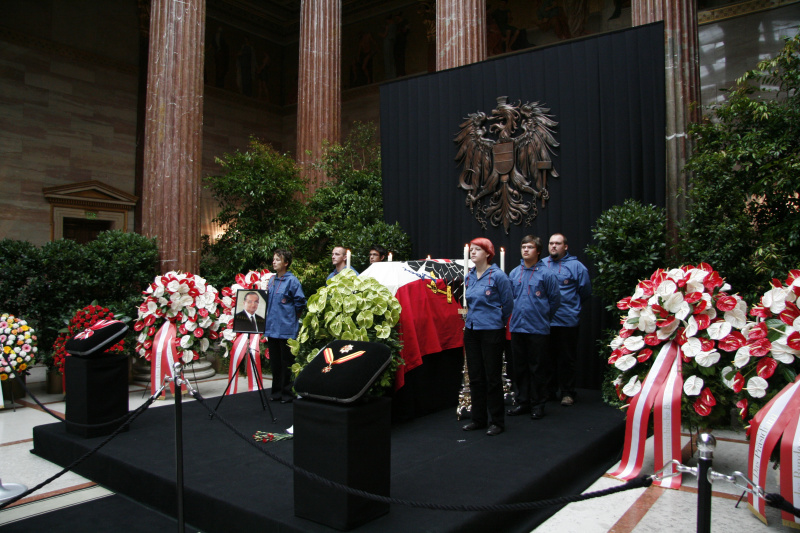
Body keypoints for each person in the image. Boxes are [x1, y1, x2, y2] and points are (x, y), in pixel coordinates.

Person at [462, 237, 514, 436]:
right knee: (475, 376)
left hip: (492, 329)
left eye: (477, 249)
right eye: (472, 249)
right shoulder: (470, 276)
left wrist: (497, 320)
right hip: (472, 330)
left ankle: (497, 422)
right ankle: (478, 419)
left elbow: (508, 303)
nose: (472, 252)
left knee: (493, 377)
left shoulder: (498, 276)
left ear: (487, 253)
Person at [507, 236, 561, 420]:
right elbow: (510, 299)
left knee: (537, 368)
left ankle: (538, 404)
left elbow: (555, 301)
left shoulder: (547, 274)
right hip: (517, 328)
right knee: (519, 367)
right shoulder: (514, 273)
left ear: (538, 251)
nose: (526, 250)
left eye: (530, 247)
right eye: (523, 247)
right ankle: (523, 401)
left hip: (538, 328)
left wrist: (543, 316)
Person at [543, 233, 591, 406]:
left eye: (557, 243)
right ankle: (549, 391)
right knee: (547, 359)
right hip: (545, 321)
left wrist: (571, 307)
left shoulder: (577, 267)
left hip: (567, 320)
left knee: (566, 359)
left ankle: (567, 393)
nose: (553, 246)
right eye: (551, 243)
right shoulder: (541, 265)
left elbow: (585, 291)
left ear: (566, 246)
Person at [264, 249, 306, 403]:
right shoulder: (271, 280)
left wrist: (293, 318)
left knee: (287, 363)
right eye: (273, 259)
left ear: (286, 263)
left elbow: (300, 302)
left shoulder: (292, 281)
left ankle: (287, 393)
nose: (274, 262)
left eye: (277, 259)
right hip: (272, 328)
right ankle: (276, 392)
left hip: (287, 328)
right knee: (275, 363)